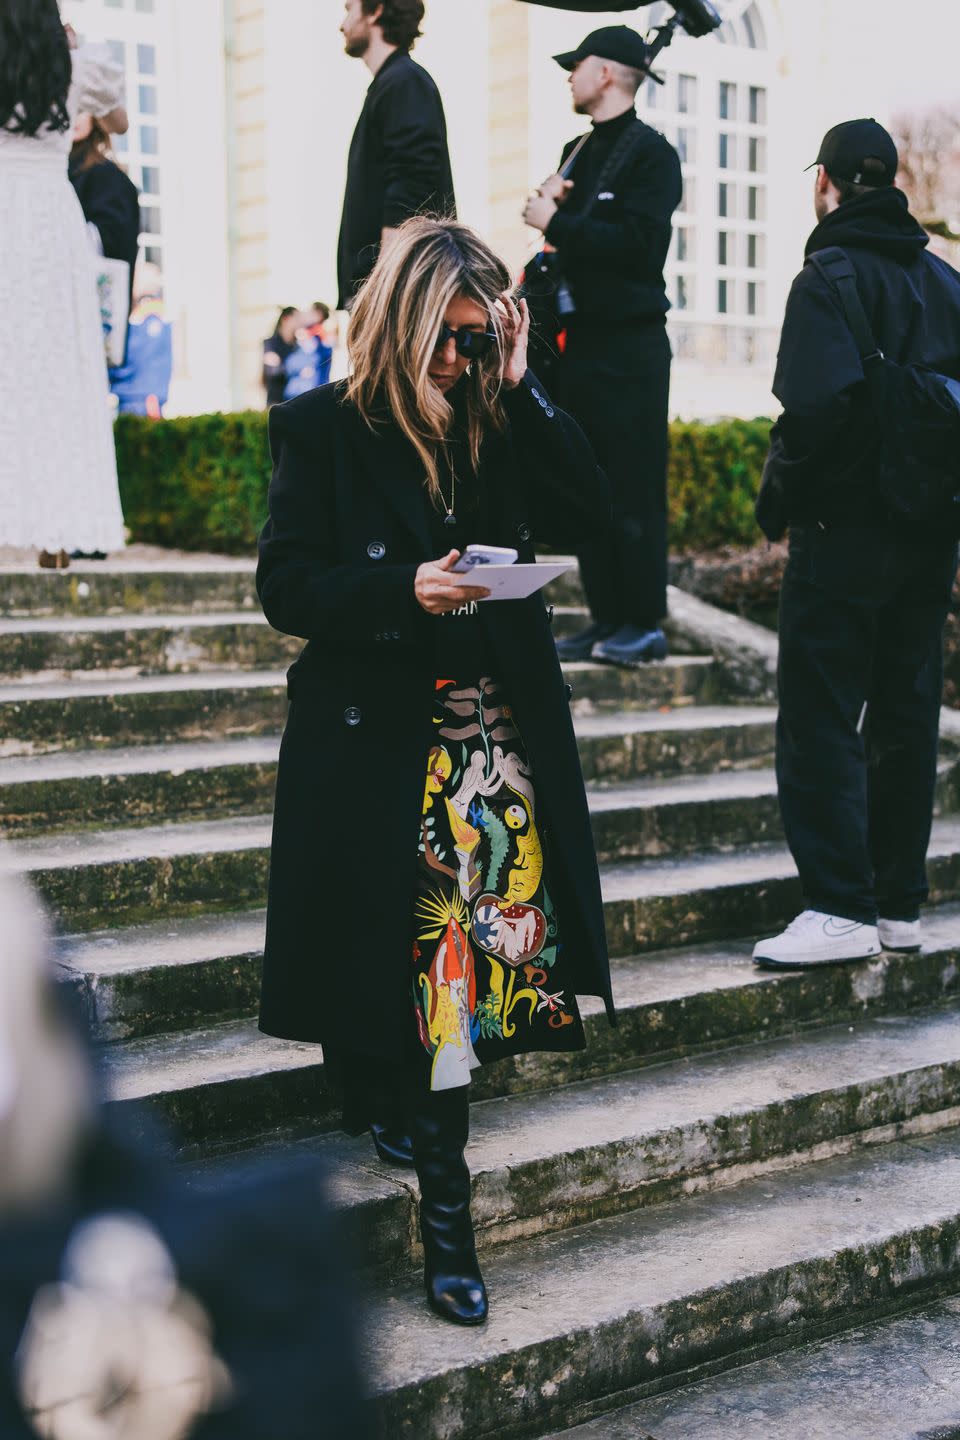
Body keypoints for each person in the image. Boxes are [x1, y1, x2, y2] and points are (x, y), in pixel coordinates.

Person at [257, 216, 615, 1327]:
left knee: (459, 993)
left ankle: (404, 1111)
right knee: (433, 988)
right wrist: (399, 592)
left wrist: (524, 382)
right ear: (404, 321)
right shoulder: (320, 426)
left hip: (491, 748)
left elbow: (594, 513)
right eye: (448, 340)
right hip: (378, 743)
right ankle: (446, 1222)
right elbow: (286, 588)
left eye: (477, 339)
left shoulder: (491, 418)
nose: (459, 361)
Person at [752, 119, 960, 969]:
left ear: (828, 183)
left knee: (820, 713)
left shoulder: (826, 275)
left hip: (845, 532)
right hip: (930, 531)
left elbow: (812, 411)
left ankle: (839, 903)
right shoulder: (948, 281)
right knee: (907, 713)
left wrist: (782, 496)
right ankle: (898, 905)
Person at [523, 25, 681, 668]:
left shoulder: (651, 154)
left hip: (631, 347)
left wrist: (557, 220)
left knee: (634, 484)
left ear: (609, 73)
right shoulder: (577, 150)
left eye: (577, 65)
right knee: (587, 483)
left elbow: (639, 248)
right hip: (577, 343)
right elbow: (563, 235)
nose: (569, 75)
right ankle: (608, 617)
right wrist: (549, 205)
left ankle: (643, 623)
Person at [0, 1, 127, 571]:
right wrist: (71, 54)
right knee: (59, 379)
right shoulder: (74, 71)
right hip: (53, 223)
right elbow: (120, 121)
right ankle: (55, 541)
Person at [336, 0, 456, 311]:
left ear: (375, 11)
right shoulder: (393, 83)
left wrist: (386, 282)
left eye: (349, 9)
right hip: (389, 287)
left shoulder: (404, 81)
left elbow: (412, 180)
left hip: (398, 291)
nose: (342, 24)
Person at [69, 112, 140, 334]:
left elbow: (116, 244)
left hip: (86, 302)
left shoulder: (106, 176)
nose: (74, 117)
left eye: (82, 109)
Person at [109, 263, 173, 418]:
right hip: (144, 396)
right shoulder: (157, 314)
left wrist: (110, 369)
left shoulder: (144, 317)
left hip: (139, 398)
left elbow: (130, 356)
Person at [263, 307, 300, 409]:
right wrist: (296, 370)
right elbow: (273, 371)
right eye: (296, 319)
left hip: (296, 399)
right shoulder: (270, 343)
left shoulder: (298, 346)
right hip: (276, 401)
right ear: (286, 319)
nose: (299, 323)